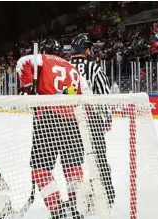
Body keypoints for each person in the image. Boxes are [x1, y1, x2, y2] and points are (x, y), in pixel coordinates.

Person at [16, 38, 92, 219]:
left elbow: (23, 62)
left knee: (40, 168)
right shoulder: (72, 67)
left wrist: (27, 87)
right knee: (73, 166)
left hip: (48, 117)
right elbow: (87, 94)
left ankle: (57, 210)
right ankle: (75, 208)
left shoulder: (41, 59)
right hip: (73, 120)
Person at [69, 33, 116, 209]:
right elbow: (104, 94)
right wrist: (107, 118)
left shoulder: (65, 66)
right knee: (99, 156)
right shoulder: (94, 67)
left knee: (73, 161)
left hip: (70, 120)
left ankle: (75, 198)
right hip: (92, 119)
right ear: (87, 49)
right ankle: (108, 193)